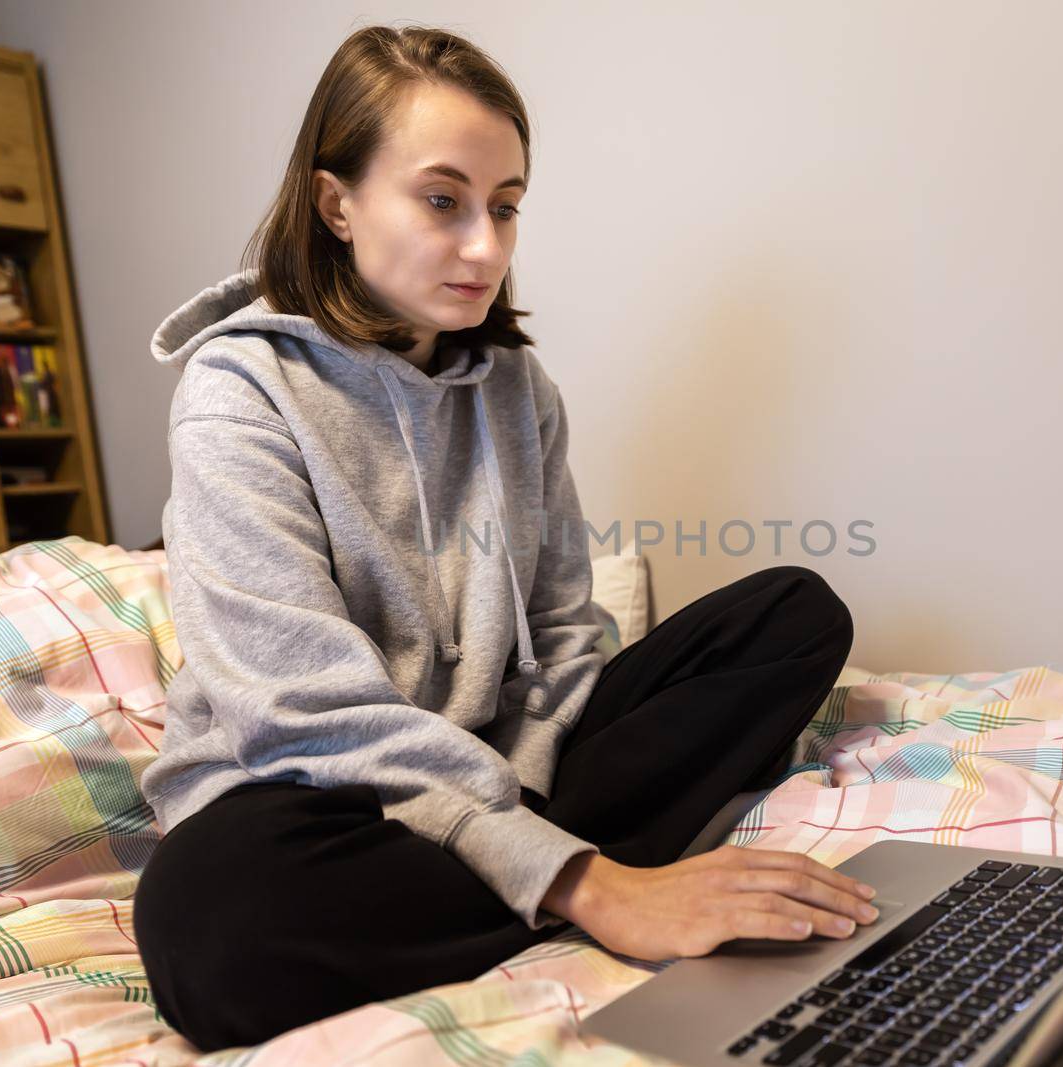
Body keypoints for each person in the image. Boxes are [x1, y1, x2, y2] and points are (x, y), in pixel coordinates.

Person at [130, 24, 873, 1054]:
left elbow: (567, 625)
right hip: (311, 793)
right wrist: (585, 877)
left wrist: (517, 789)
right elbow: (294, 709)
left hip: (504, 766)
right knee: (207, 927)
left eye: (507, 206)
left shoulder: (520, 391)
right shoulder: (238, 394)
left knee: (793, 615)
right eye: (443, 200)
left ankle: (502, 876)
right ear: (336, 201)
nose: (486, 244)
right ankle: (577, 882)